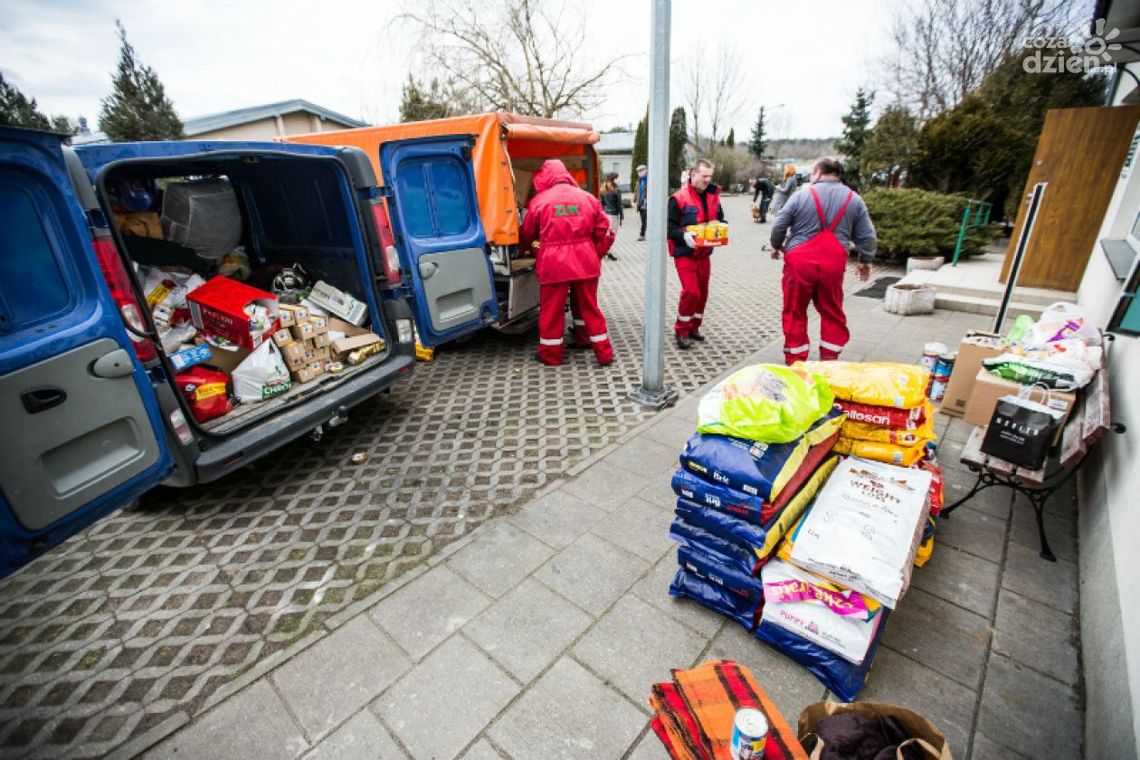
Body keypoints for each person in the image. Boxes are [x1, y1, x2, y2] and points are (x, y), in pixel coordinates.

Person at [770, 156, 876, 365]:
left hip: (799, 263)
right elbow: (867, 235)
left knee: (795, 310)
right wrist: (865, 260)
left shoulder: (801, 195)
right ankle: (829, 360)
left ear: (817, 173)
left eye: (811, 174)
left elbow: (779, 225)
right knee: (831, 309)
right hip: (833, 264)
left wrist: (776, 246)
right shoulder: (854, 198)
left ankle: (796, 362)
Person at [519, 159, 616, 367]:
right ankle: (603, 353)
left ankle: (551, 355)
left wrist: (524, 247)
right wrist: (594, 253)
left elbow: (526, 233)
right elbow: (606, 231)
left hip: (554, 265)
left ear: (545, 177)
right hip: (585, 262)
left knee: (551, 311)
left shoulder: (540, 201)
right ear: (566, 174)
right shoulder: (588, 198)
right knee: (589, 308)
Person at [667, 157, 724, 350]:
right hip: (685, 253)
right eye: (704, 176)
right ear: (693, 174)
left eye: (710, 176)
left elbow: (721, 218)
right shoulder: (678, 198)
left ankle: (694, 327)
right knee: (691, 292)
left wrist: (721, 228)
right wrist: (684, 236)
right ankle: (681, 330)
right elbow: (669, 228)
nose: (707, 180)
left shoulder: (713, 196)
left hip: (704, 254)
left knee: (702, 294)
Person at [599, 173, 623, 261]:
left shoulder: (603, 189)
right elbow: (619, 205)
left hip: (606, 214)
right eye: (617, 178)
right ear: (613, 179)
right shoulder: (616, 190)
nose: (619, 180)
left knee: (607, 234)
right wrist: (622, 217)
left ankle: (607, 251)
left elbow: (602, 203)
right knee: (612, 234)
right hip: (614, 215)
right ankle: (609, 252)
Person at [634, 164, 648, 240]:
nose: (639, 173)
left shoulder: (649, 180)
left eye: (640, 171)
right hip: (641, 203)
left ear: (645, 171)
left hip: (647, 204)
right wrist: (634, 201)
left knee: (645, 220)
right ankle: (643, 234)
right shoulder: (639, 181)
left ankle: (642, 235)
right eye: (638, 172)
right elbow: (636, 192)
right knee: (643, 220)